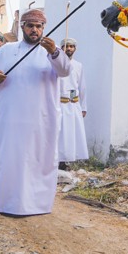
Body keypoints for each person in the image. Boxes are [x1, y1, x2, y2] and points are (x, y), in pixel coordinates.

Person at [0, 9, 70, 216]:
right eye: (30, 26)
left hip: (40, 120)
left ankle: (37, 205)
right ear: (22, 27)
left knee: (38, 159)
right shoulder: (6, 50)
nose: (35, 30)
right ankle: (7, 203)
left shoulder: (52, 51)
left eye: (39, 26)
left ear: (43, 28)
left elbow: (65, 70)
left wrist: (55, 53)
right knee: (9, 159)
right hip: (9, 118)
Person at [56, 38, 89, 170]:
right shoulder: (57, 65)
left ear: (75, 49)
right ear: (61, 48)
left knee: (72, 134)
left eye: (71, 46)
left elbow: (82, 86)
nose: (68, 48)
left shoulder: (78, 65)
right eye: (66, 46)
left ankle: (67, 160)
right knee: (61, 133)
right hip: (60, 103)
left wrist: (84, 106)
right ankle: (58, 160)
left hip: (74, 103)